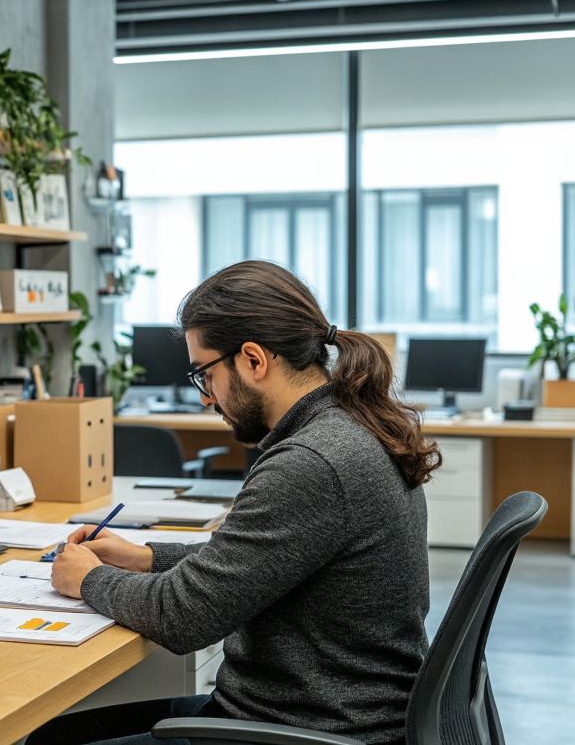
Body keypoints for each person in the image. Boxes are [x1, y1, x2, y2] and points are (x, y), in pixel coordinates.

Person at [31, 261, 438, 745]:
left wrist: (88, 579)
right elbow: (262, 559)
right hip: (327, 714)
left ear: (253, 360)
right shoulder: (348, 427)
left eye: (204, 374)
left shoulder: (311, 462)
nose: (206, 398)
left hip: (300, 730)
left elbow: (182, 618)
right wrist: (143, 557)